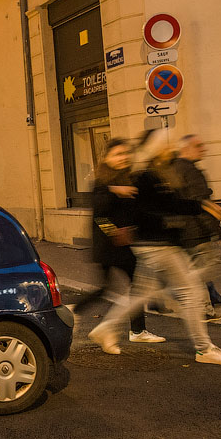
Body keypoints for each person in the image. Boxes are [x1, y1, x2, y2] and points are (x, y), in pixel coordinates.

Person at [88, 129, 221, 365]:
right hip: (157, 244)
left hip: (152, 244)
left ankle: (107, 327)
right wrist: (197, 208)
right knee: (190, 293)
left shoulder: (153, 173)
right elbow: (157, 207)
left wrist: (200, 206)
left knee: (140, 295)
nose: (171, 147)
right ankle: (204, 349)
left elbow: (166, 203)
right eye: (165, 144)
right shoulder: (147, 176)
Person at [72, 138, 165, 344]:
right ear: (107, 158)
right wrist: (114, 229)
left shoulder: (130, 178)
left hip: (125, 246)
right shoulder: (101, 182)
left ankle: (138, 330)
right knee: (111, 288)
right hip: (108, 246)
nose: (122, 158)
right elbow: (99, 213)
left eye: (125, 154)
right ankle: (76, 311)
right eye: (117, 154)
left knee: (133, 286)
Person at [169, 134, 221, 312]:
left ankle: (206, 301)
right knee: (206, 267)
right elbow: (200, 204)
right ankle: (203, 309)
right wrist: (216, 230)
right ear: (185, 149)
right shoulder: (191, 171)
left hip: (181, 230)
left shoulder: (172, 168)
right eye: (198, 146)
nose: (203, 149)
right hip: (196, 231)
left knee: (196, 267)